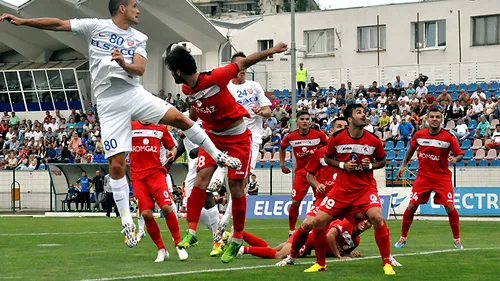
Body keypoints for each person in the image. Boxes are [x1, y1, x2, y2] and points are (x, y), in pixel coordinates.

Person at [0, 0, 239, 248]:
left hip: (133, 94)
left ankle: (217, 154)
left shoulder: (138, 37)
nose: (138, 10)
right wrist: (23, 21)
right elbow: (59, 24)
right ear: (122, 8)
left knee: (180, 118)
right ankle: (126, 221)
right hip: (108, 103)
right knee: (116, 166)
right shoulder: (95, 26)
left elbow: (140, 69)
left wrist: (124, 64)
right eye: (134, 5)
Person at [165, 41, 288, 263]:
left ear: (178, 71)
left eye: (171, 71)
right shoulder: (186, 89)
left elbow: (245, 62)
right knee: (201, 179)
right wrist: (185, 130)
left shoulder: (216, 77)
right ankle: (191, 233)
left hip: (237, 137)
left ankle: (237, 239)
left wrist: (272, 50)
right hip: (212, 138)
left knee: (236, 188)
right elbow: (195, 107)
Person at [308, 103, 397, 275]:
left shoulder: (373, 140)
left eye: (364, 112)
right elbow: (328, 158)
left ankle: (387, 263)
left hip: (365, 189)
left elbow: (382, 162)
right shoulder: (337, 138)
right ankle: (320, 263)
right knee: (318, 221)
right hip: (341, 190)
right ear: (350, 119)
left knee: (377, 217)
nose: (364, 115)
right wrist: (342, 165)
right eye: (359, 112)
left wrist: (370, 165)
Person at [276, 117, 347, 266]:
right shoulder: (321, 152)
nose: (305, 121)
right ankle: (292, 249)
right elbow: (310, 174)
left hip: (349, 196)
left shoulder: (351, 150)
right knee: (307, 221)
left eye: (345, 126)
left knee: (374, 217)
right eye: (339, 126)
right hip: (323, 194)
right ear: (331, 131)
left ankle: (387, 258)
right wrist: (317, 183)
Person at [395, 107, 464, 250]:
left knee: (450, 207)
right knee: (412, 206)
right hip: (423, 177)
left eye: (437, 117)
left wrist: (455, 159)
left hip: (442, 178)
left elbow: (459, 153)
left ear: (441, 119)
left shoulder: (448, 137)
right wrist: (403, 165)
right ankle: (403, 238)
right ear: (426, 118)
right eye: (432, 116)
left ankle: (457, 240)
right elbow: (410, 150)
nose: (434, 119)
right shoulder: (419, 135)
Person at [129, 120, 188, 261]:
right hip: (138, 176)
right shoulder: (130, 126)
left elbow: (173, 147)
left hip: (156, 173)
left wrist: (172, 153)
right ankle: (161, 249)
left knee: (167, 208)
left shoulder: (161, 128)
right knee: (146, 213)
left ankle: (178, 246)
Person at [279, 111, 328, 236]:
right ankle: (291, 231)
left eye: (307, 119)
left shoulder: (319, 135)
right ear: (297, 122)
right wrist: (282, 164)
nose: (305, 121)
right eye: (302, 119)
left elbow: (328, 148)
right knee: (295, 202)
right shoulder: (291, 137)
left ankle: (321, 228)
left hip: (317, 173)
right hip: (301, 174)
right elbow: (282, 147)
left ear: (310, 121)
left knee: (321, 201)